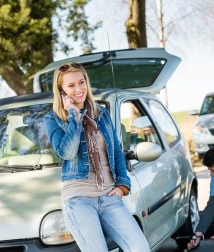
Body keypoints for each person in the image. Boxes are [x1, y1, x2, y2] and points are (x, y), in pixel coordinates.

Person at [44, 62, 150, 252]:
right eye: (71, 85)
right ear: (61, 91)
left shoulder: (101, 114)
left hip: (109, 197)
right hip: (79, 200)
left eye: (81, 82)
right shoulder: (53, 119)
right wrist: (74, 117)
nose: (78, 89)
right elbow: (67, 152)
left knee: (140, 247)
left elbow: (117, 151)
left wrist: (122, 186)